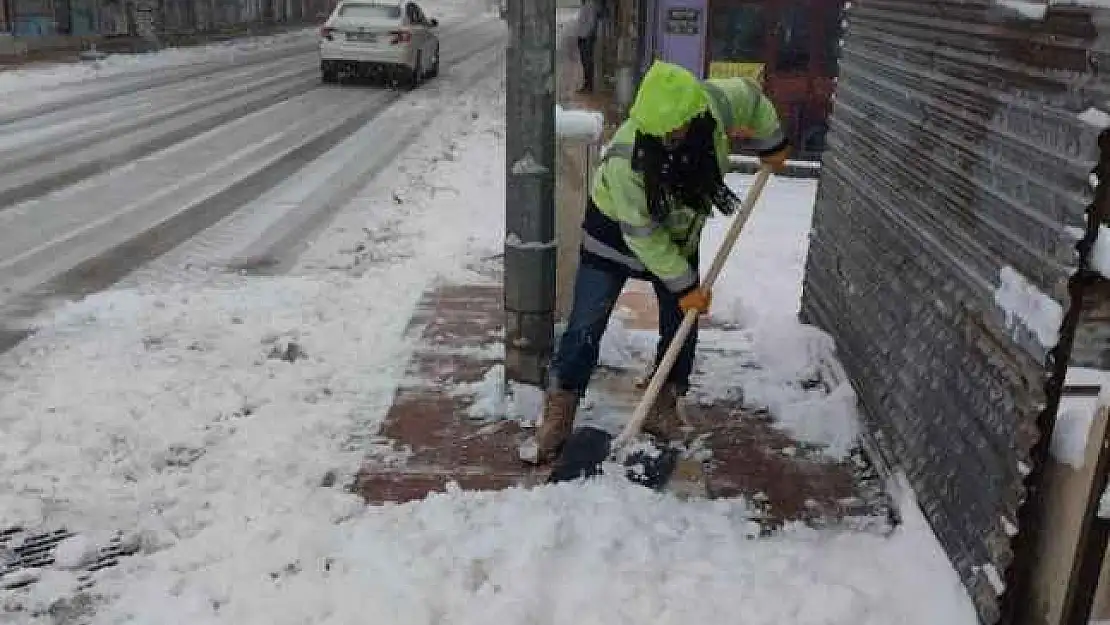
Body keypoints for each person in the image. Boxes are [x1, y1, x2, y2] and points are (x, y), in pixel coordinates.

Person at [524, 60, 790, 465]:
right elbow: (642, 235)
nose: (666, 139)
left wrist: (772, 144)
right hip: (615, 234)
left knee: (681, 325)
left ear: (695, 115)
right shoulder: (626, 157)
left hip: (680, 236)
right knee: (585, 325)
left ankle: (663, 401)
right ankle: (560, 411)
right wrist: (685, 285)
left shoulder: (715, 104)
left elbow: (753, 99)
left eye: (674, 131)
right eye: (658, 133)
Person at [575, 0, 599, 93]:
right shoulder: (585, 5)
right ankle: (587, 84)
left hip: (586, 38)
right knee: (585, 62)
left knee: (587, 62)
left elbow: (591, 23)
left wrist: (586, 35)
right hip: (582, 37)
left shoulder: (590, 5)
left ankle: (589, 85)